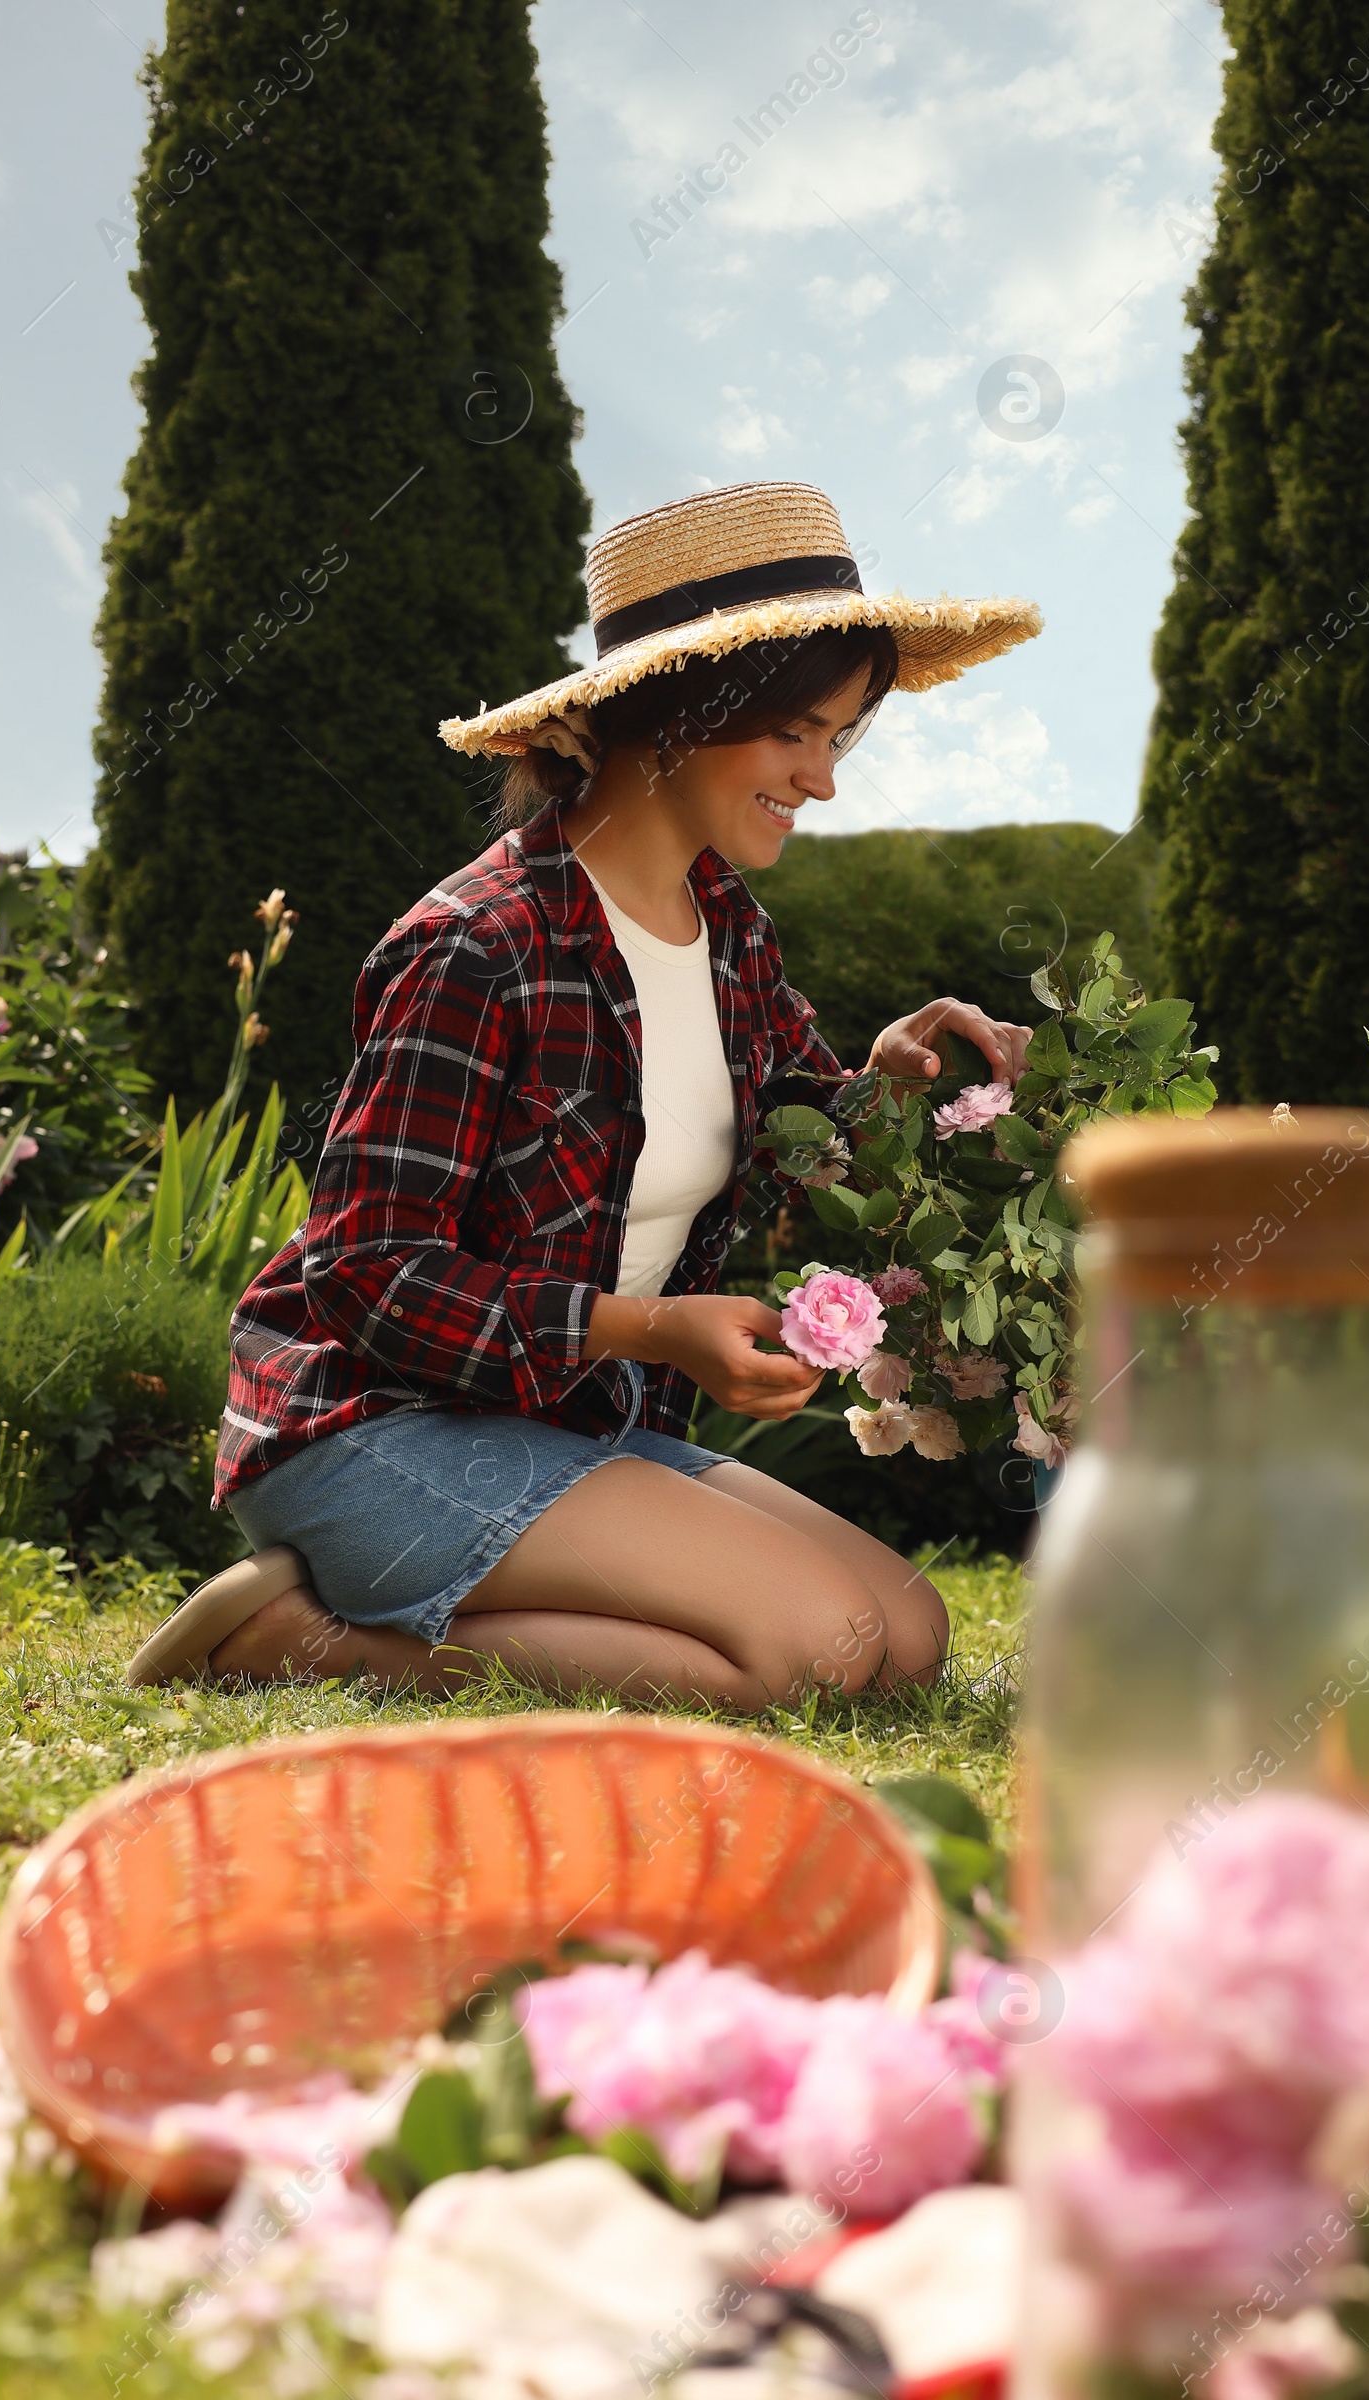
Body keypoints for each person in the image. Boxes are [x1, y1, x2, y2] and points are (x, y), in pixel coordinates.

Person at [127, 479, 1042, 1708]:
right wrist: (651, 1331)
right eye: (794, 733)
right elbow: (368, 1271)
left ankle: (391, 1618)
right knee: (815, 1654)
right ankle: (289, 1638)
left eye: (840, 737)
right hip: (375, 1434)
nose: (821, 781)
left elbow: (788, 1139)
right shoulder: (478, 945)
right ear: (673, 716)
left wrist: (881, 1079)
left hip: (561, 1433)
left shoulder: (728, 931)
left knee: (908, 1640)